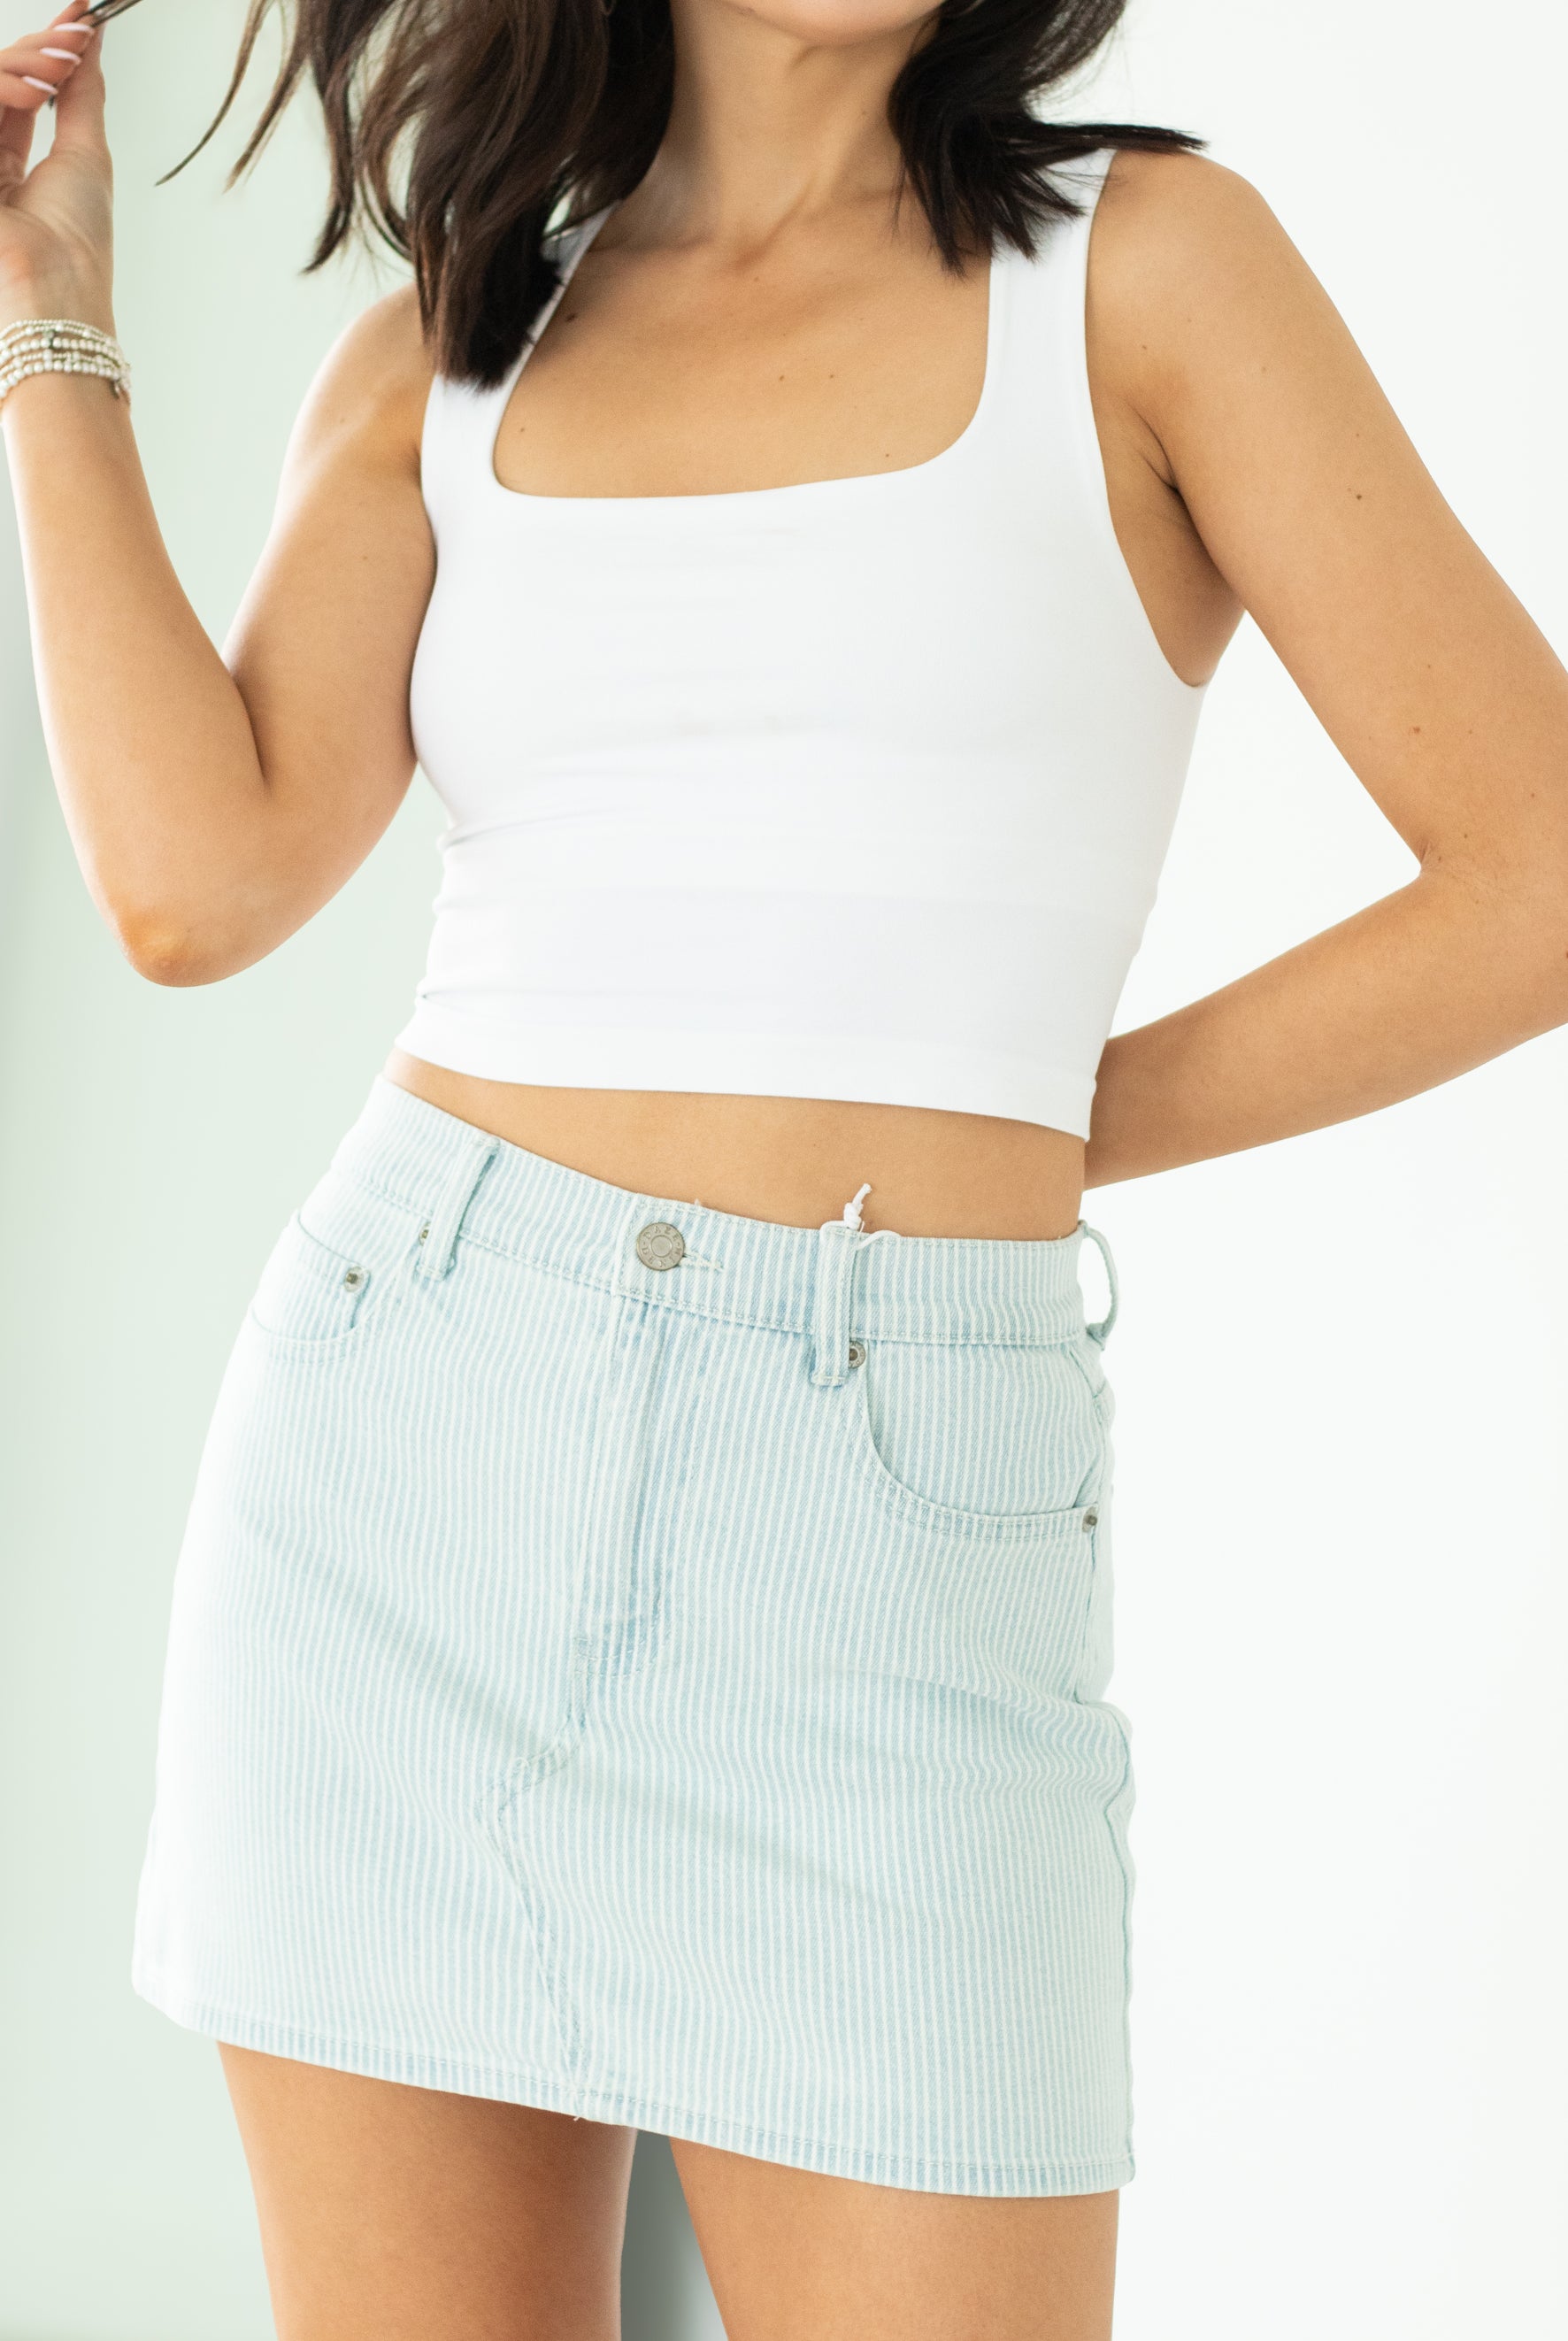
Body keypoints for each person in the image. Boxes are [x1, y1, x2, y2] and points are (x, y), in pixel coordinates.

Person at [3, 2, 1565, 2334]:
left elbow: (1531, 868)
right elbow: (190, 887)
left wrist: (1041, 1115)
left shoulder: (1145, 269)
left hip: (891, 1512)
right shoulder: (442, 352)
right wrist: (52, 320)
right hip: (409, 1449)